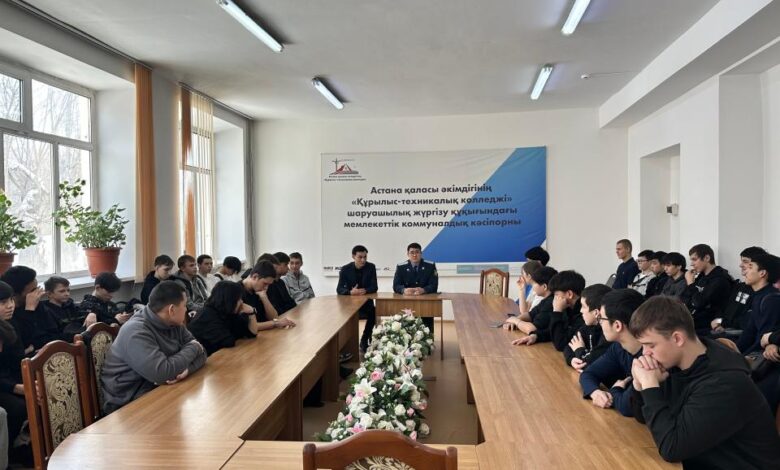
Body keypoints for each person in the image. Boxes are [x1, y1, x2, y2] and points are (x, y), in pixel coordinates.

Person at [629, 296, 780, 469]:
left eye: (650, 345)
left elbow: (672, 448)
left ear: (677, 338)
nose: (645, 353)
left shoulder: (724, 383)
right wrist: (639, 385)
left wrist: (650, 387)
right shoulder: (673, 364)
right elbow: (642, 417)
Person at [100, 281, 208, 414]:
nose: (186, 309)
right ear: (171, 310)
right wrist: (194, 348)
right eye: (184, 305)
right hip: (128, 405)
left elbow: (203, 353)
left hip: (161, 390)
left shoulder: (174, 323)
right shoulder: (135, 331)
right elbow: (162, 373)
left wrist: (188, 369)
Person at [579, 289, 645, 416]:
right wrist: (595, 392)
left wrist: (615, 390)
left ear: (617, 325)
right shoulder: (618, 347)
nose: (600, 323)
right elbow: (588, 374)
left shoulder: (649, 356)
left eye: (601, 319)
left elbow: (628, 406)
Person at [515, 270, 584, 350]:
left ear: (569, 294)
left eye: (556, 295)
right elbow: (554, 331)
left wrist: (557, 311)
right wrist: (536, 336)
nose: (554, 299)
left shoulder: (583, 314)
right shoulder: (568, 308)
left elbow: (561, 343)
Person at [187, 281, 259, 355]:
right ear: (229, 299)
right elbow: (228, 342)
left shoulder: (227, 312)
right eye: (239, 299)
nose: (242, 302)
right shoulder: (207, 315)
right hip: (203, 358)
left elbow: (251, 333)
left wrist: (251, 313)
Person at [0, 282, 28, 464]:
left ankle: (27, 445)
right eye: (3, 302)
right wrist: (15, 387)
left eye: (11, 300)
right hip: (3, 384)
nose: (10, 305)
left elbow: (18, 360)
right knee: (18, 407)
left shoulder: (11, 324)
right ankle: (7, 453)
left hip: (8, 379)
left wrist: (29, 383)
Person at [1, 266, 60, 351]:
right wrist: (29, 310)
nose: (38, 293)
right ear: (14, 294)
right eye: (33, 291)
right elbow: (24, 344)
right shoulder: (6, 313)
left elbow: (54, 333)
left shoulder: (38, 305)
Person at [680, 244, 733, 334]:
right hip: (694, 319)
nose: (691, 264)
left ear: (707, 258)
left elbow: (698, 303)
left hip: (709, 324)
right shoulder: (702, 276)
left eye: (694, 259)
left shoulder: (720, 279)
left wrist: (690, 283)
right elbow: (684, 298)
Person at [714, 246, 768, 334]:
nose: (740, 265)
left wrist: (721, 323)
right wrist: (718, 321)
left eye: (745, 262)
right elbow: (723, 309)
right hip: (723, 329)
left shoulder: (763, 293)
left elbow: (746, 321)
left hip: (739, 333)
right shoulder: (739, 286)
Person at [735, 253, 780, 354]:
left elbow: (763, 339)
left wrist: (742, 357)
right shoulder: (758, 295)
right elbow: (749, 332)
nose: (745, 271)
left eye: (750, 267)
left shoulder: (771, 300)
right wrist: (734, 352)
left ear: (762, 273)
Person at [338, 245, 378, 353]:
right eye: (360, 257)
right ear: (353, 256)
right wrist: (350, 292)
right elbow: (339, 289)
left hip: (366, 304)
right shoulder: (345, 269)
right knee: (343, 316)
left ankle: (364, 339)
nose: (363, 260)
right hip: (349, 305)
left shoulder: (371, 267)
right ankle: (347, 345)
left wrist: (364, 290)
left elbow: (374, 287)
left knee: (374, 312)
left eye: (365, 257)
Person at [563, 284, 612, 372]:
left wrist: (579, 350)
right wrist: (571, 360)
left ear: (596, 313)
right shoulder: (587, 327)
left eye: (583, 306)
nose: (581, 310)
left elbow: (590, 363)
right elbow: (569, 346)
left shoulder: (608, 335)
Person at [393, 243, 438, 334]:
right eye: (412, 252)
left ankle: (428, 339)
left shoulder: (430, 266)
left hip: (426, 303)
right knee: (407, 328)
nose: (414, 255)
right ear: (408, 254)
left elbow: (434, 285)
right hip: (406, 303)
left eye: (417, 252)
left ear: (421, 253)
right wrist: (403, 290)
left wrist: (424, 290)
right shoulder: (401, 267)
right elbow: (396, 285)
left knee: (426, 328)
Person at [240, 261, 295, 331]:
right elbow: (248, 326)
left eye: (268, 285)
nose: (266, 288)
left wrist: (264, 298)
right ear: (255, 277)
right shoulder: (236, 292)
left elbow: (274, 317)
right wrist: (275, 323)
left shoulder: (260, 290)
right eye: (265, 284)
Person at [504, 266, 557, 338]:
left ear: (544, 287)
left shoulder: (551, 303)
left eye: (534, 284)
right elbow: (530, 315)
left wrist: (516, 321)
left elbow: (533, 329)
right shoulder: (546, 299)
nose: (532, 287)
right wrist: (516, 319)